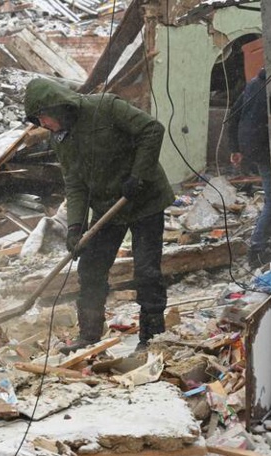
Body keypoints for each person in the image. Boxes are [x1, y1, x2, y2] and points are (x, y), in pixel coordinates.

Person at [24, 78, 174, 352]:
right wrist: (75, 227)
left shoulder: (105, 107)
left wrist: (139, 175)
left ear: (57, 107)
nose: (43, 125)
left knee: (146, 271)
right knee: (91, 268)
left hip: (145, 199)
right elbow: (75, 182)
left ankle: (151, 338)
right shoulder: (61, 139)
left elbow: (152, 130)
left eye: (43, 117)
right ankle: (89, 336)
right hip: (108, 207)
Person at [228, 68, 271, 268]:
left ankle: (268, 238)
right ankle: (256, 249)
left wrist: (235, 148)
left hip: (253, 147)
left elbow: (233, 114)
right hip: (267, 148)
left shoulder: (254, 83)